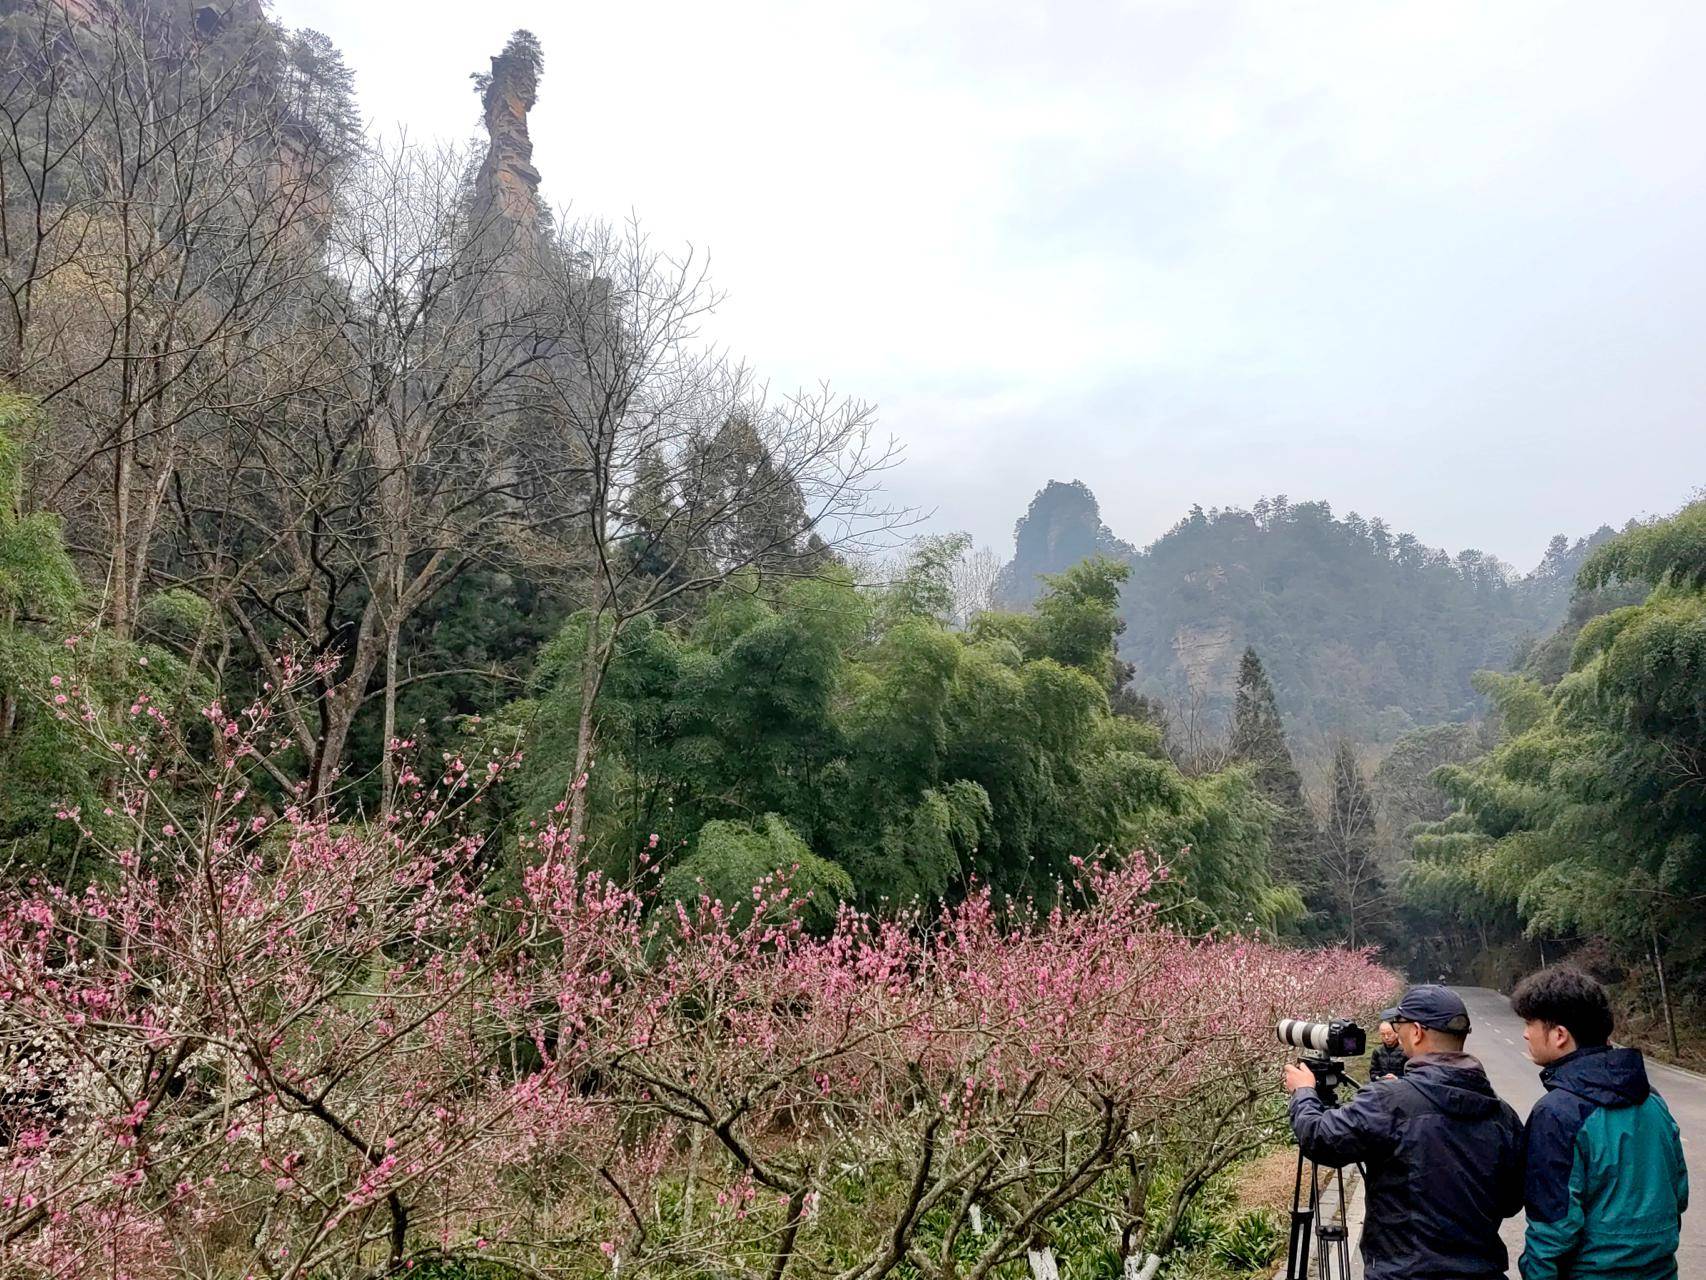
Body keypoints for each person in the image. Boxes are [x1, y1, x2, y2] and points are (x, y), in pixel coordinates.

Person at [1284, 984, 1525, 1280]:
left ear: (1417, 1032)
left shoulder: (1389, 1101)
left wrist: (1304, 1093)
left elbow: (1320, 1139)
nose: (1396, 1035)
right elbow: (1512, 1201)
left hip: (1403, 1273)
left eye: (1399, 1026)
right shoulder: (1502, 1115)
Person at [1512, 966, 1688, 1280]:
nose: (1525, 1033)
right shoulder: (1652, 1100)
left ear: (1560, 1035)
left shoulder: (1557, 1113)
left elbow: (1552, 1225)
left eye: (1530, 1023)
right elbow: (1678, 1194)